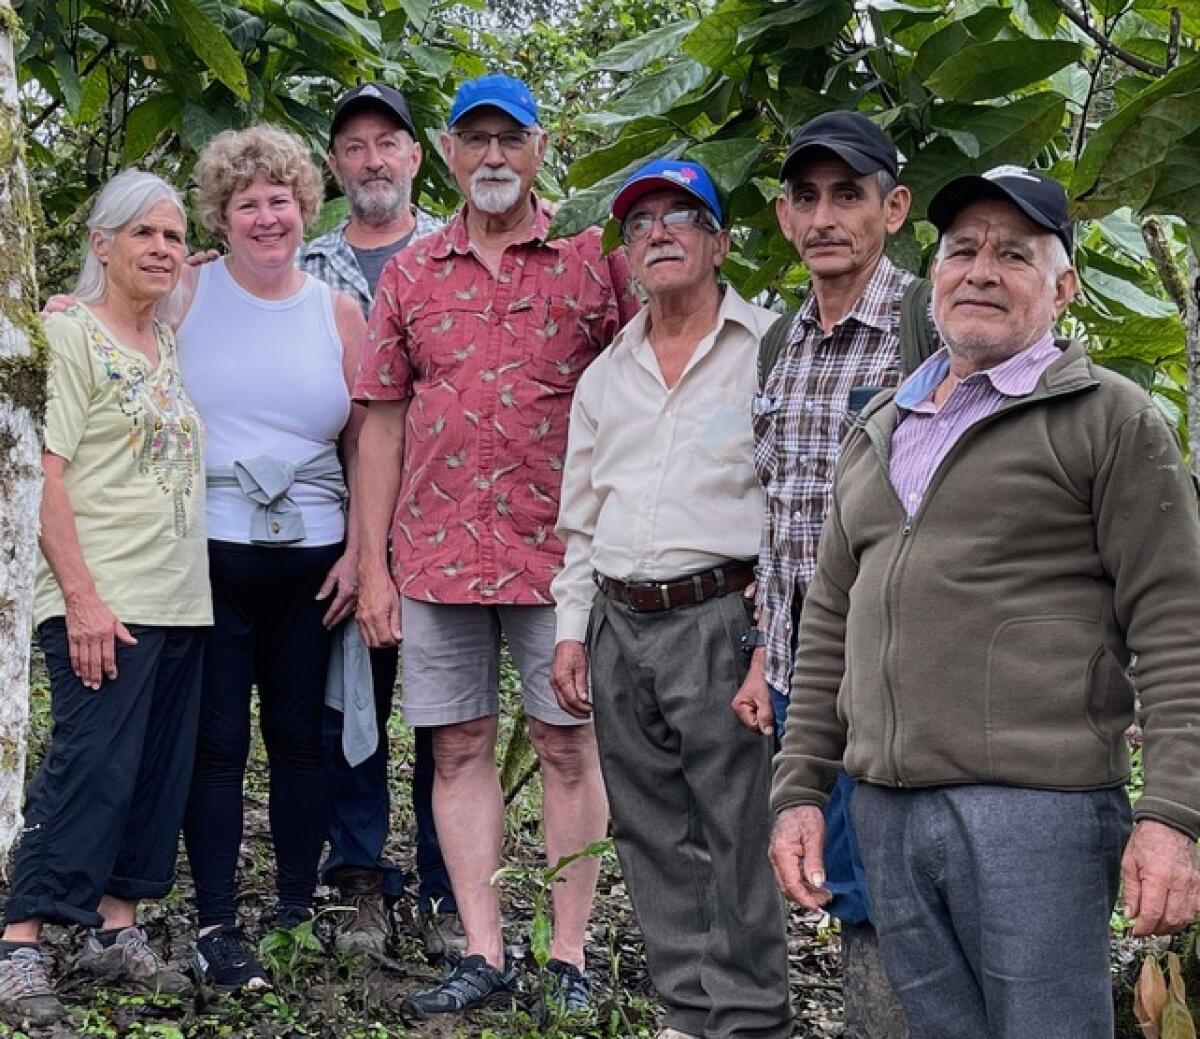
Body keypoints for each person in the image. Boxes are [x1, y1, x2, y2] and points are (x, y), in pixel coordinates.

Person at [769, 166, 1200, 1039]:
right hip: (886, 805)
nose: (982, 271)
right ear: (934, 278)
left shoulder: (1109, 420)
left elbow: (1177, 622)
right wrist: (800, 789)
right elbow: (826, 629)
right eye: (963, 249)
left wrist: (1174, 817)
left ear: (1062, 285)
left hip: (1037, 810)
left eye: (1014, 253)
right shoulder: (880, 427)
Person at [354, 73, 637, 1017]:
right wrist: (371, 564)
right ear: (448, 152)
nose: (493, 159)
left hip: (559, 558)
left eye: (509, 141)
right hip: (434, 555)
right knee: (458, 747)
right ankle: (482, 948)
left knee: (568, 746)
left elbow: (645, 388)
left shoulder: (595, 260)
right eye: (475, 142)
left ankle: (567, 954)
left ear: (539, 148)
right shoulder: (412, 272)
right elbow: (383, 423)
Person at [551, 159, 792, 1039]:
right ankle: (688, 1011)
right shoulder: (606, 373)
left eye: (682, 216)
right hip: (619, 620)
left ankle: (751, 1016)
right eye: (642, 221)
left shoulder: (768, 347)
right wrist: (572, 633)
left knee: (734, 826)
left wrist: (773, 635)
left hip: (720, 616)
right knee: (649, 826)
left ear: (720, 242)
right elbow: (580, 519)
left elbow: (794, 500)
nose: (659, 232)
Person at [0, 170, 208, 1024]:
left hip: (181, 597)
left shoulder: (169, 342)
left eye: (173, 236)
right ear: (102, 245)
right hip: (105, 595)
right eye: (143, 234)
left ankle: (117, 928)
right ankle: (19, 943)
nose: (162, 249)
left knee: (155, 776)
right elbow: (41, 475)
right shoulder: (72, 334)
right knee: (86, 770)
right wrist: (80, 597)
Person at [732, 110, 921, 1036]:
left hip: (900, 654)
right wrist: (766, 650)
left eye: (849, 194)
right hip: (804, 659)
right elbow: (781, 517)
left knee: (896, 866)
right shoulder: (781, 344)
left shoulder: (929, 323)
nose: (826, 217)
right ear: (782, 217)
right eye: (807, 197)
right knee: (841, 862)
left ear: (893, 206)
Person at [178, 124, 366, 990]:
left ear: (304, 208)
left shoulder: (338, 309)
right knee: (215, 744)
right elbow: (108, 334)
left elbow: (370, 443)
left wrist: (364, 552)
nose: (264, 217)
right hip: (208, 554)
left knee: (298, 738)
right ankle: (215, 920)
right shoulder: (183, 292)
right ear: (220, 216)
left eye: (279, 201)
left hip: (314, 561)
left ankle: (294, 908)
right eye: (246, 203)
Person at [299, 81, 457, 960]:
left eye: (386, 143)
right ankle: (358, 878)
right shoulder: (302, 262)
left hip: (444, 525)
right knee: (348, 706)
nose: (371, 160)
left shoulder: (455, 250)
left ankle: (443, 886)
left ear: (415, 156)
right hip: (339, 528)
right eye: (353, 146)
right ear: (335, 166)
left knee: (448, 715)